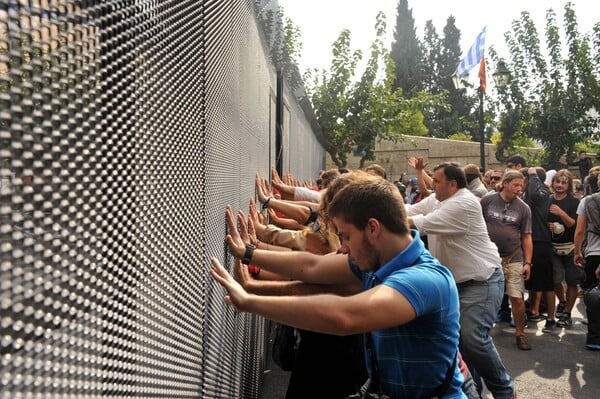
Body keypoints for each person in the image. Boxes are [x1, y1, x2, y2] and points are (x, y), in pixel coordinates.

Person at [211, 171, 468, 398]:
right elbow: (312, 266)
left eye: (345, 236)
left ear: (373, 228)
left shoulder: (424, 280)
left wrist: (248, 300)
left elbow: (344, 316)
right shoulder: (375, 261)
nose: (342, 248)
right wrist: (248, 253)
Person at [405, 161, 515, 398]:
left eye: (436, 181)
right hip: (456, 284)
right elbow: (408, 211)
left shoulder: (463, 203)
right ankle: (472, 391)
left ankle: (504, 391)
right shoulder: (438, 199)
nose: (430, 184)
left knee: (472, 338)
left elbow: (412, 223)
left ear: (452, 184)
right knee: (460, 344)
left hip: (482, 281)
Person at [480, 171, 533, 350]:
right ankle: (482, 333)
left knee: (517, 298)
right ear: (506, 183)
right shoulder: (488, 200)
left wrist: (528, 263)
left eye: (521, 185)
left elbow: (526, 237)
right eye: (516, 185)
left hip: (513, 257)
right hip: (488, 257)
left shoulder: (524, 208)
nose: (519, 189)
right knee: (485, 297)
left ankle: (520, 334)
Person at [520, 166, 558, 333]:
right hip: (529, 242)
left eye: (524, 179)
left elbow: (535, 194)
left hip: (541, 243)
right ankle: (532, 312)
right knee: (532, 282)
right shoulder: (526, 194)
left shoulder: (541, 193)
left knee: (547, 283)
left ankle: (551, 318)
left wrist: (533, 173)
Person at [548, 169, 582, 328]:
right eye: (557, 181)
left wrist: (561, 213)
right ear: (553, 182)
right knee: (555, 279)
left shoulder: (574, 202)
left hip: (570, 246)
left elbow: (573, 224)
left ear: (569, 185)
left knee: (572, 281)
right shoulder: (547, 200)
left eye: (563, 182)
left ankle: (567, 312)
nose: (560, 185)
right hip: (553, 246)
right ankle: (562, 302)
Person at [574, 169, 600, 350]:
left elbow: (580, 231)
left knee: (593, 296)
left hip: (593, 253)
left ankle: (594, 337)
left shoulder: (587, 201)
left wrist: (577, 251)